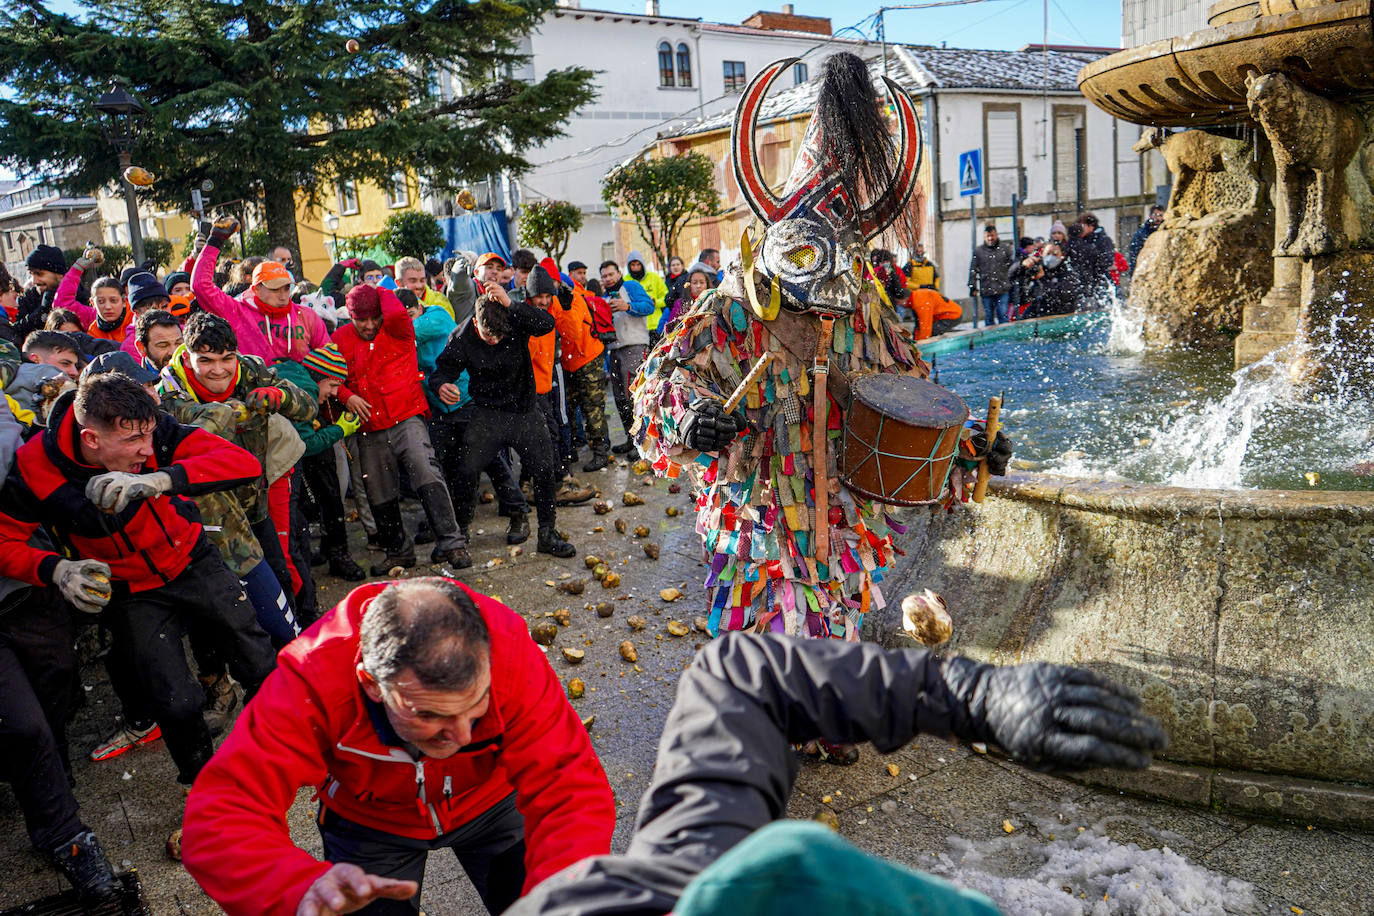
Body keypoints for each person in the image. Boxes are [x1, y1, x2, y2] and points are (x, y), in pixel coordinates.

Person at [634, 55, 1008, 761]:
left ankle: (819, 717)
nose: (818, 319)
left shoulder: (862, 305)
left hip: (836, 502)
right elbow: (662, 378)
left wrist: (967, 449)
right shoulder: (727, 309)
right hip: (758, 496)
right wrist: (689, 417)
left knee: (832, 609)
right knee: (764, 611)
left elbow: (911, 389)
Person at [509, 632, 1168, 916]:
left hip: (828, 572)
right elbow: (658, 404)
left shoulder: (684, 883)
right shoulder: (717, 334)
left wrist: (968, 455)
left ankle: (827, 734)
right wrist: (691, 418)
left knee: (809, 684)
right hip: (764, 550)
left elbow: (742, 676)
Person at [181, 577, 616, 916]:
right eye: (429, 715)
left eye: (476, 705)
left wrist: (563, 894)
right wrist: (293, 888)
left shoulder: (508, 649)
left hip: (494, 802)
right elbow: (221, 814)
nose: (463, 737)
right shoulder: (313, 676)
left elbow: (569, 786)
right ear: (371, 683)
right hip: (370, 823)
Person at [0, 371, 276, 798]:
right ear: (91, 439)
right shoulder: (35, 465)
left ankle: (295, 747)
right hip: (130, 591)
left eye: (148, 437)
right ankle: (207, 792)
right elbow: (4, 539)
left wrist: (160, 479)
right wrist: (55, 569)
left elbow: (244, 463)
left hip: (190, 559)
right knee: (175, 702)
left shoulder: (151, 427)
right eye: (132, 444)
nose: (146, 450)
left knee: (258, 658)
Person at [158, 312, 316, 642]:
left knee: (281, 579)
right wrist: (230, 412)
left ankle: (296, 649)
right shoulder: (170, 391)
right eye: (206, 360)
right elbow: (199, 433)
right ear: (187, 356)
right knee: (218, 608)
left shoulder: (251, 370)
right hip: (203, 522)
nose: (218, 370)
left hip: (254, 505)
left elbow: (308, 406)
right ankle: (221, 677)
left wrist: (281, 396)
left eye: (226, 358)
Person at [431, 282, 577, 559]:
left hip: (524, 409)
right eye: (489, 336)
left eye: (500, 336)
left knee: (546, 469)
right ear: (476, 323)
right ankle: (459, 534)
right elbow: (442, 371)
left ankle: (547, 533)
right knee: (466, 471)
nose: (495, 341)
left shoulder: (514, 318)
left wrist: (512, 304)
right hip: (487, 414)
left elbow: (546, 324)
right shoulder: (461, 336)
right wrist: (440, 386)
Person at [333, 284, 471, 572]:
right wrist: (347, 396)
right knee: (378, 491)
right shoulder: (339, 339)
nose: (369, 326)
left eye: (374, 318)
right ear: (350, 316)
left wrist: (375, 288)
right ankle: (398, 551)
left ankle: (452, 543)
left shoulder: (399, 328)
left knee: (426, 472)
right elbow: (329, 380)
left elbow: (395, 308)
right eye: (361, 320)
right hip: (369, 426)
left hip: (407, 417)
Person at [404, 286, 531, 546]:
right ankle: (449, 524)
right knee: (439, 465)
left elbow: (410, 332)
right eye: (403, 316)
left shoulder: (436, 315)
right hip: (438, 407)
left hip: (468, 399)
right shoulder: (408, 326)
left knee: (491, 460)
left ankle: (518, 513)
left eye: (412, 313)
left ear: (420, 306)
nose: (410, 319)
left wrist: (394, 326)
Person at [273, 344, 369, 581]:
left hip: (276, 456)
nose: (335, 393)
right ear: (320, 376)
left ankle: (328, 550)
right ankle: (336, 555)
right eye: (333, 385)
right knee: (327, 492)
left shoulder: (292, 370)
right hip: (284, 461)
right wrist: (340, 429)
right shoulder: (306, 391)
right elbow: (305, 445)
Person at [193, 217, 331, 363]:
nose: (283, 296)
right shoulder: (237, 311)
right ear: (256, 289)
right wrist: (216, 240)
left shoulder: (306, 316)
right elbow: (200, 285)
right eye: (275, 289)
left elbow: (330, 358)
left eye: (286, 288)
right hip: (256, 385)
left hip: (304, 385)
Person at [600, 260, 654, 455]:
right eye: (604, 276)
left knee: (635, 398)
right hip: (613, 351)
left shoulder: (630, 286)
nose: (608, 278)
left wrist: (626, 306)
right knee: (620, 399)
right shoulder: (604, 297)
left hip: (634, 348)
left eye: (610, 274)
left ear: (619, 273)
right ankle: (631, 439)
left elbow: (648, 306)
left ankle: (644, 444)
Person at [967, 222, 1014, 327]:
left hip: (1003, 288)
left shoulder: (1005, 248)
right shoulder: (979, 251)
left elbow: (1012, 266)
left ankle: (1004, 337)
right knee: (989, 317)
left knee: (1003, 315)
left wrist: (1011, 282)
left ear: (996, 235)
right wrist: (972, 286)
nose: (990, 238)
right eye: (988, 236)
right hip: (986, 289)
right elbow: (973, 269)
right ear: (985, 237)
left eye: (992, 235)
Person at [1065, 212, 1116, 306]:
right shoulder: (1081, 241)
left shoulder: (1103, 240)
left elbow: (1107, 260)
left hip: (1100, 282)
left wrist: (1093, 262)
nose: (1081, 228)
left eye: (1083, 225)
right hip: (1085, 283)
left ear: (1091, 226)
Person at [396, 255, 455, 321]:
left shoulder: (440, 300)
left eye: (422, 280)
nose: (419, 286)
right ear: (398, 283)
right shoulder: (391, 305)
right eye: (413, 281)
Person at [625, 250, 668, 341]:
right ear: (629, 266)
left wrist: (655, 302)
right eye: (633, 265)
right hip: (635, 328)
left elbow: (667, 298)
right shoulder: (625, 281)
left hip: (656, 325)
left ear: (642, 264)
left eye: (638, 264)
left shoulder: (654, 277)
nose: (636, 268)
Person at [1129, 204, 1165, 270]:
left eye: (1160, 215)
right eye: (1156, 215)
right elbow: (1134, 254)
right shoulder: (1141, 234)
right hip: (1146, 267)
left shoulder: (1165, 230)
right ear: (1150, 215)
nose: (1158, 218)